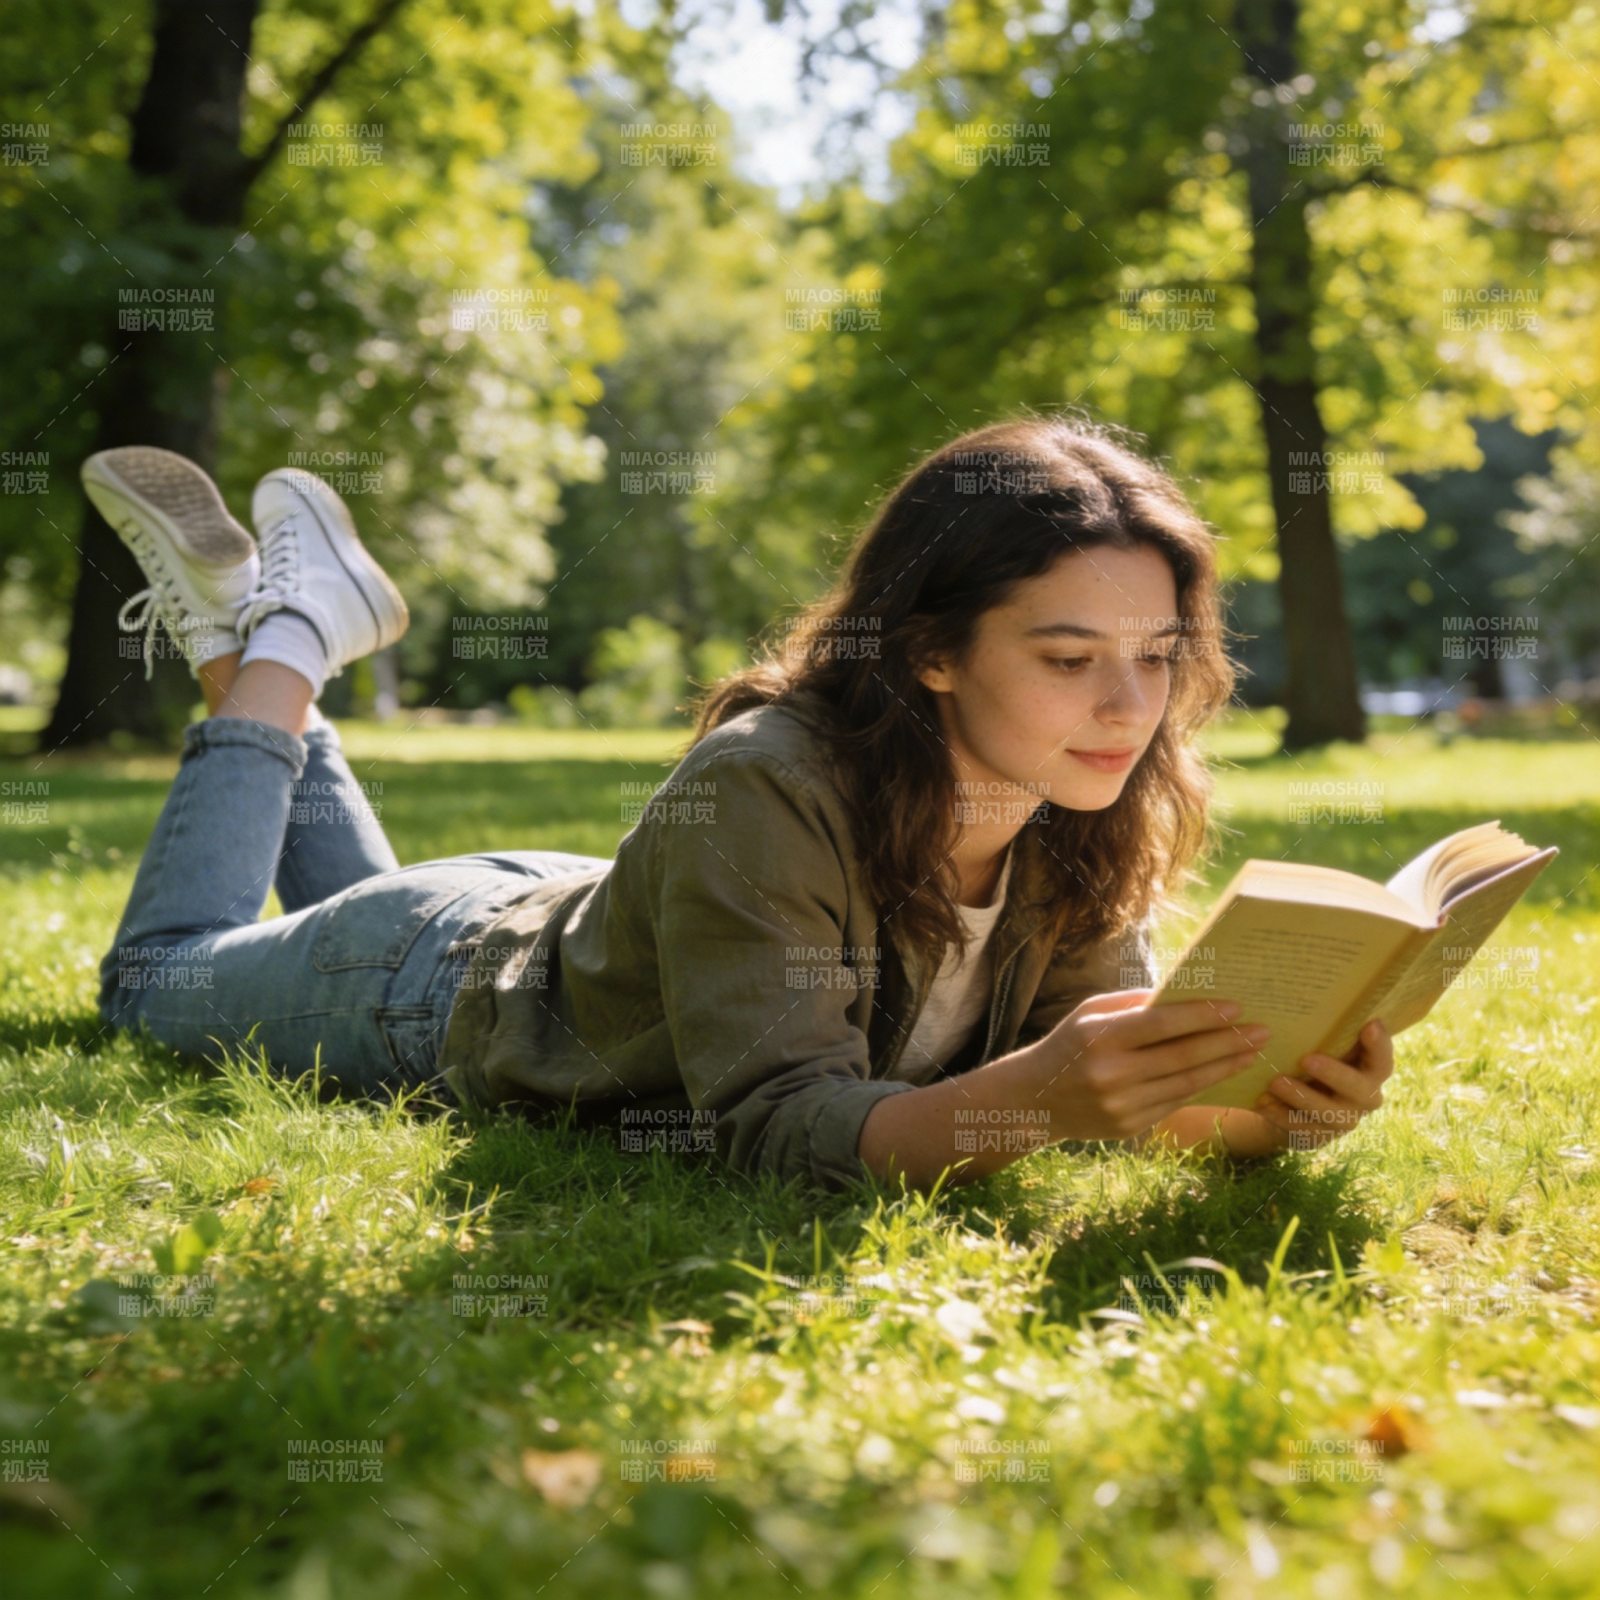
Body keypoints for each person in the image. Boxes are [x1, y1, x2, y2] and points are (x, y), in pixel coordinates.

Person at [88, 417, 1392, 1192]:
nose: (1130, 708)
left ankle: (246, 639)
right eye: (1068, 658)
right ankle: (294, 635)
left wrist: (1261, 1113)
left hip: (602, 920)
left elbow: (1089, 1071)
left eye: (1158, 656)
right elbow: (775, 1125)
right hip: (425, 981)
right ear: (929, 648)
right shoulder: (766, 782)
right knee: (152, 984)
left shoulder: (1082, 802)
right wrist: (1033, 1105)